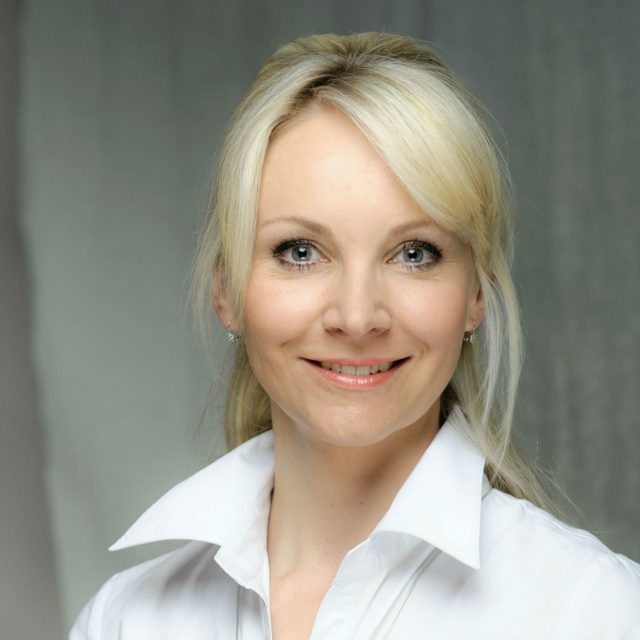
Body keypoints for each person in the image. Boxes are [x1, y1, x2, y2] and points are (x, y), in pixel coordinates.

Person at [70, 32, 640, 639]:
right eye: (300, 251)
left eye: (414, 253)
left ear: (475, 294)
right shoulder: (126, 620)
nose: (358, 315)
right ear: (227, 291)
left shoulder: (596, 612)